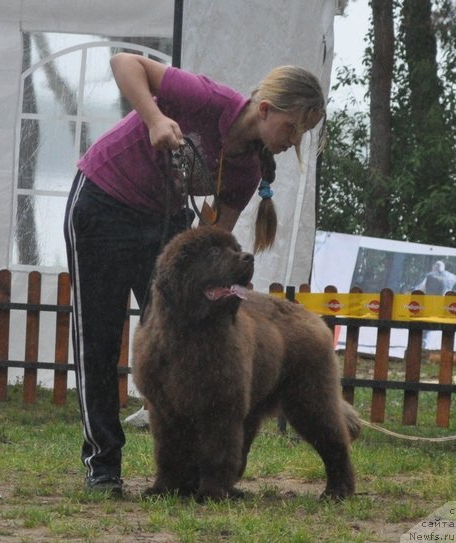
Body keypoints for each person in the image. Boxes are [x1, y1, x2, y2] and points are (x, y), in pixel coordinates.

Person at [63, 52, 325, 496]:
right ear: (266, 110)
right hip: (102, 203)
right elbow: (125, 62)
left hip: (162, 226)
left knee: (173, 340)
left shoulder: (246, 172)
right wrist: (154, 118)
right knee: (99, 339)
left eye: (302, 135)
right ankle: (103, 465)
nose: (292, 141)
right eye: (292, 128)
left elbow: (211, 238)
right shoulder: (208, 100)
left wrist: (225, 282)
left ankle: (180, 475)